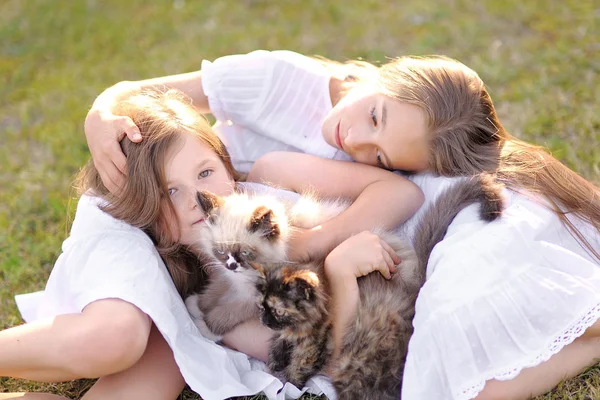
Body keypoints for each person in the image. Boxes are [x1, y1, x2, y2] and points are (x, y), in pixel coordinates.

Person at [84, 50, 600, 400]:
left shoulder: (344, 174)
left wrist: (315, 245)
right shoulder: (277, 82)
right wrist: (101, 112)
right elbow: (138, 93)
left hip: (433, 233)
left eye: (379, 155)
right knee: (447, 363)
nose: (355, 142)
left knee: (456, 341)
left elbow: (405, 193)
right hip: (372, 256)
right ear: (383, 74)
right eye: (373, 117)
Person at [2, 88, 422, 400]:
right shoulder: (145, 232)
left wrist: (322, 255)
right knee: (117, 336)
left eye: (205, 174)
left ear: (226, 165)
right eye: (172, 191)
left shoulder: (266, 183)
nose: (195, 203)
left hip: (191, 303)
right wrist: (99, 114)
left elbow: (403, 194)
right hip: (129, 230)